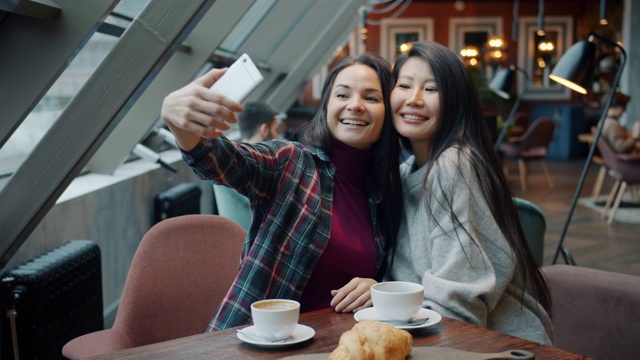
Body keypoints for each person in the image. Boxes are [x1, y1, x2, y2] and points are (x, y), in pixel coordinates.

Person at [160, 53, 402, 331]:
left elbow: (394, 275)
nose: (355, 105)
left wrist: (378, 288)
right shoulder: (291, 162)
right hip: (258, 345)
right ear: (326, 106)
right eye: (342, 95)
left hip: (337, 347)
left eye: (371, 98)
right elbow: (220, 159)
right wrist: (180, 123)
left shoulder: (385, 193)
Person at [384, 41, 553, 344]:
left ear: (455, 102)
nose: (414, 99)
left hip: (500, 344)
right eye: (404, 85)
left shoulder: (454, 165)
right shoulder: (408, 170)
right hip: (448, 336)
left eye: (432, 89)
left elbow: (459, 305)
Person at [212, 101, 283, 230]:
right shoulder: (252, 168)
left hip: (234, 239)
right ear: (264, 130)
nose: (277, 137)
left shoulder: (230, 160)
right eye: (275, 130)